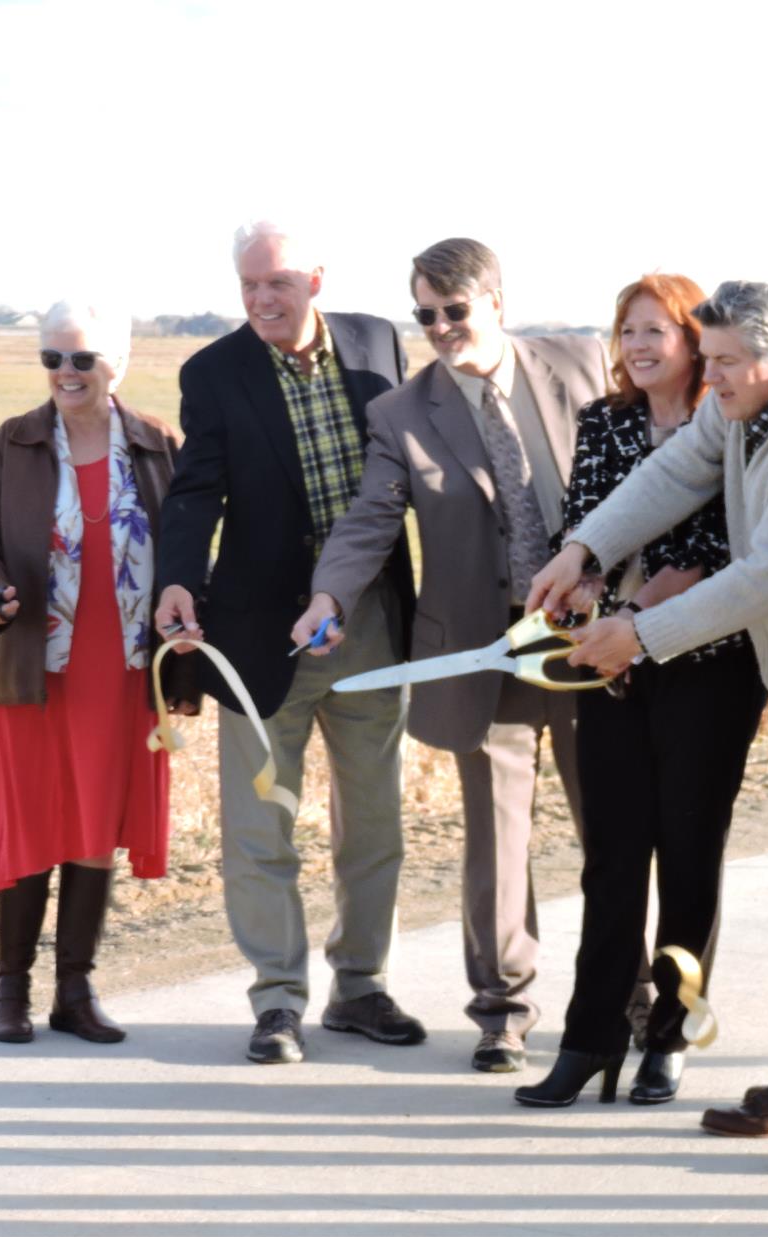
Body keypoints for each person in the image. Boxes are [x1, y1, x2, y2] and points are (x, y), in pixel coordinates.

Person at [528, 280, 768, 1137]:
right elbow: (674, 472)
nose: (708, 376)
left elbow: (767, 573)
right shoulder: (740, 402)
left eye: (723, 362)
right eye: (709, 358)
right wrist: (582, 550)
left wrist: (641, 636)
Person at [301, 238, 608, 1075]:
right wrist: (329, 596)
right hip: (488, 649)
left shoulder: (584, 364)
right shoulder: (403, 412)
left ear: (497, 301)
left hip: (591, 640)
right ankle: (503, 1010)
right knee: (497, 840)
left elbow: (643, 476)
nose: (439, 327)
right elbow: (371, 518)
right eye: (425, 313)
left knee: (610, 829)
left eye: (454, 310)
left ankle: (633, 996)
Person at [155, 220, 419, 1066]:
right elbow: (196, 492)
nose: (264, 300)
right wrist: (176, 580)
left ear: (316, 278)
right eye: (250, 287)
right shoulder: (213, 372)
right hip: (259, 630)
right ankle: (277, 1001)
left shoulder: (378, 345)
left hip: (372, 620)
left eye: (278, 283)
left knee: (372, 820)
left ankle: (362, 987)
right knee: (262, 828)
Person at [511, 274, 768, 1109]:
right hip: (607, 663)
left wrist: (655, 596)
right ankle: (591, 1037)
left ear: (696, 340)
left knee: (689, 854)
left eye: (658, 329)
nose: (641, 346)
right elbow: (586, 520)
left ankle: (670, 1034)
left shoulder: (731, 421)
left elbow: (731, 544)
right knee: (611, 859)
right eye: (627, 332)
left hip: (708, 663)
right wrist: (580, 587)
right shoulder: (605, 422)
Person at [0, 300, 198, 1046]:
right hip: (33, 662)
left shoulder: (158, 444)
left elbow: (189, 550)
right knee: (28, 821)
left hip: (123, 669)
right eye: (51, 359)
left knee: (97, 820)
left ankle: (75, 990)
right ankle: (11, 988)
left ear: (115, 363)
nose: (65, 373)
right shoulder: (13, 443)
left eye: (81, 359)